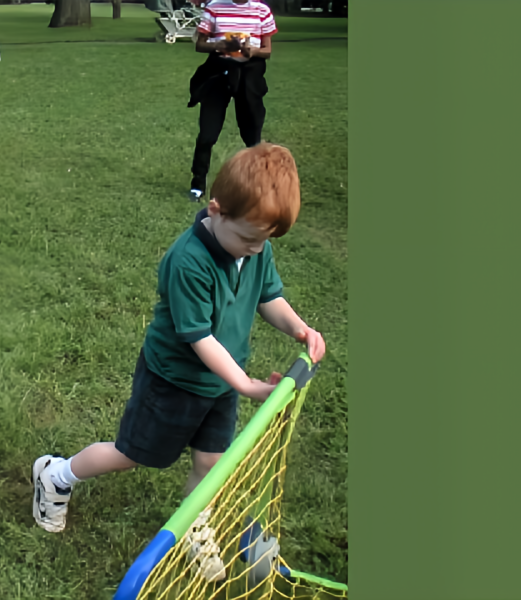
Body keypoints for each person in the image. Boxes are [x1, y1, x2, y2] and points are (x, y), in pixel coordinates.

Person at [31, 143, 328, 534]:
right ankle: (58, 475)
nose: (256, 249)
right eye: (249, 240)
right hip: (174, 380)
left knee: (210, 461)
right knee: (132, 455)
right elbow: (199, 338)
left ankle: (193, 526)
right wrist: (244, 384)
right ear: (217, 210)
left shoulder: (255, 246)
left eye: (264, 241)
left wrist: (299, 328)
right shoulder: (189, 261)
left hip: (220, 381)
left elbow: (268, 296)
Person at [185, 0, 277, 201]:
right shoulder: (215, 8)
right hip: (218, 73)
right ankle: (197, 184)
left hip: (249, 75)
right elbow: (200, 44)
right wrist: (221, 45)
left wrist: (252, 51)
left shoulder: (261, 10)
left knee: (252, 135)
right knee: (207, 134)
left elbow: (267, 50)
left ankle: (257, 184)